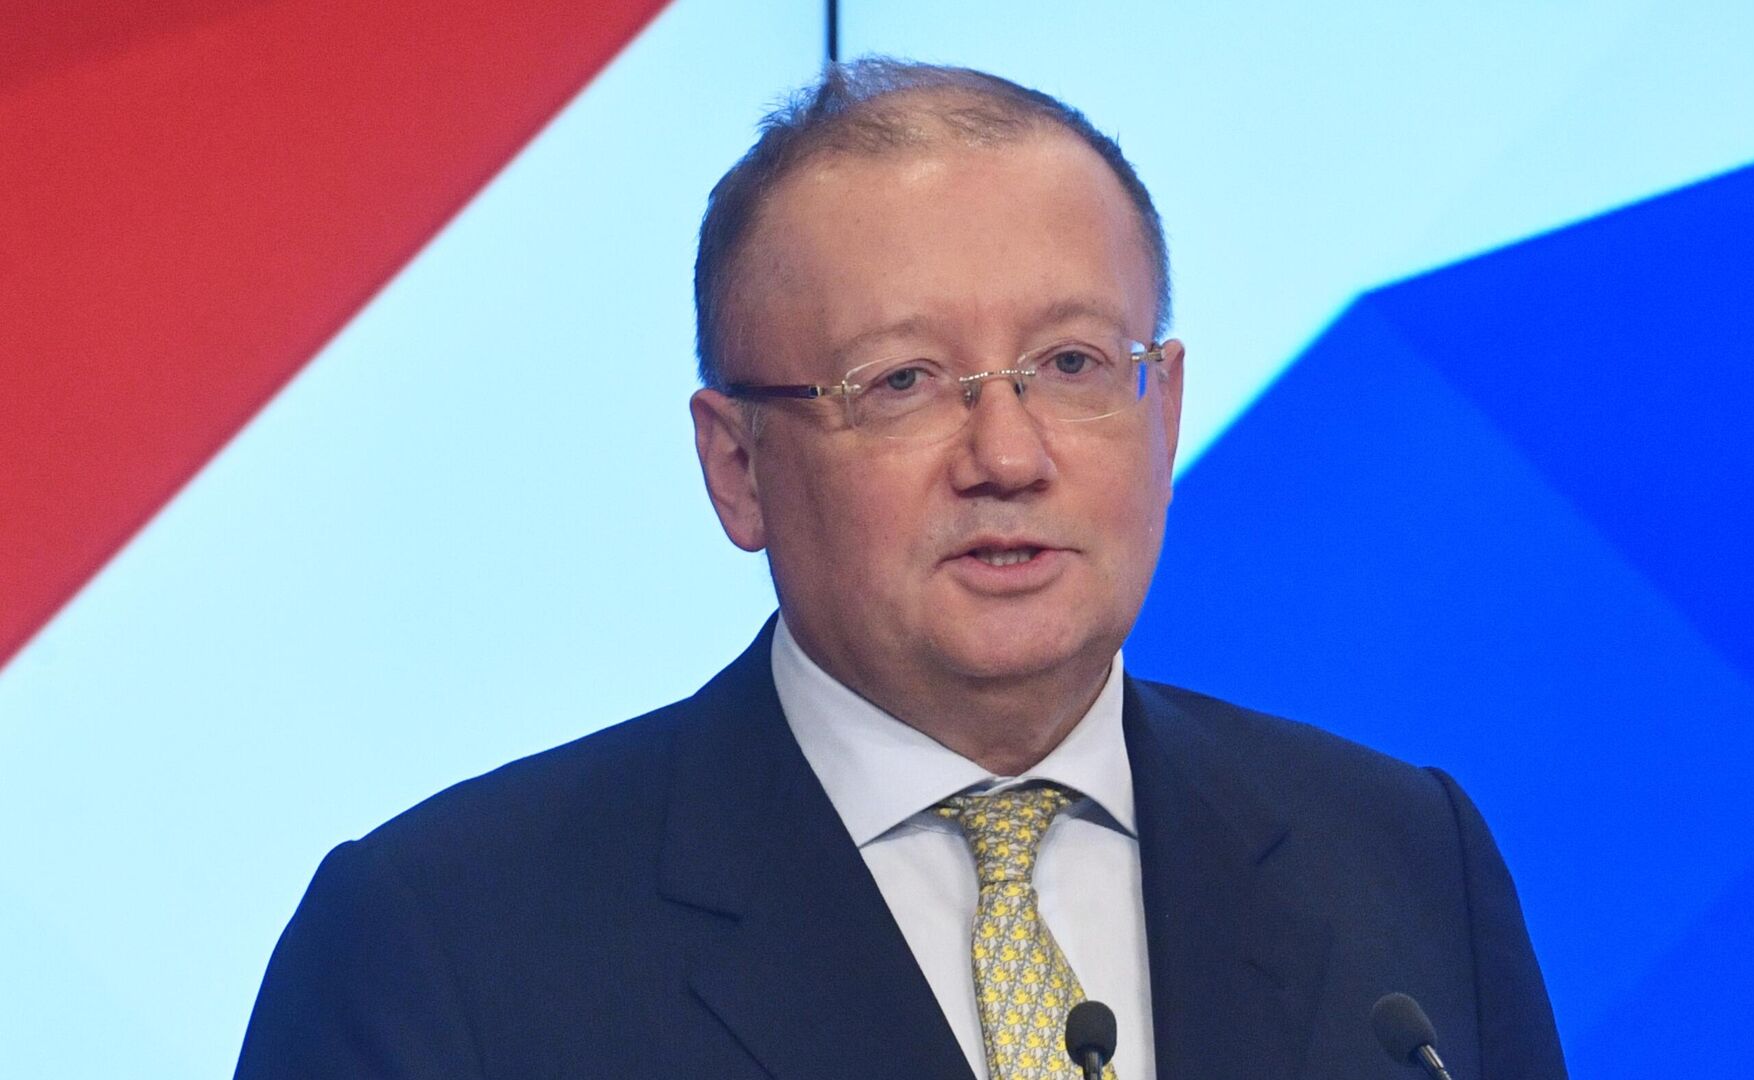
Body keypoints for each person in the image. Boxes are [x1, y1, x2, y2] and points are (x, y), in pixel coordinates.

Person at [235, 59, 1566, 1080]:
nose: (1008, 456)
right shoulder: (445, 948)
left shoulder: (1398, 856)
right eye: (903, 382)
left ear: (1162, 412)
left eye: (1071, 365)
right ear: (737, 467)